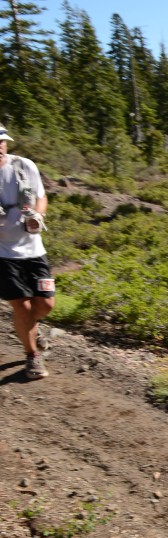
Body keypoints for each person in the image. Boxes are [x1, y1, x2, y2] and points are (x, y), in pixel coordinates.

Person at [0, 124, 52, 380]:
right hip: (3, 255)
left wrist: (38, 216)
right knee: (21, 305)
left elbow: (41, 196)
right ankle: (32, 357)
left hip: (34, 250)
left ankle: (30, 327)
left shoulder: (23, 166)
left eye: (1, 141)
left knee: (45, 305)